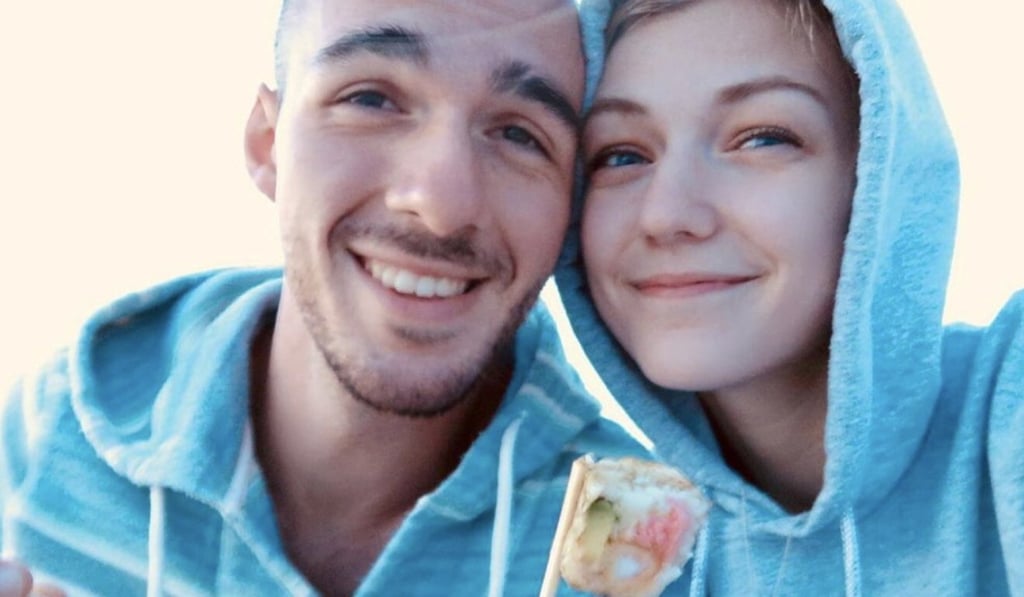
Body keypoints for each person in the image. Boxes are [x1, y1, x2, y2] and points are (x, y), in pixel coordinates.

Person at [0, 0, 647, 595]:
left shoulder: (639, 538)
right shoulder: (52, 430)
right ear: (267, 143)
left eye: (519, 135)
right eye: (370, 98)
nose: (441, 204)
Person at [556, 0, 1024, 594]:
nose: (666, 213)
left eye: (761, 139)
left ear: (878, 176)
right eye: (620, 155)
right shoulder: (628, 550)